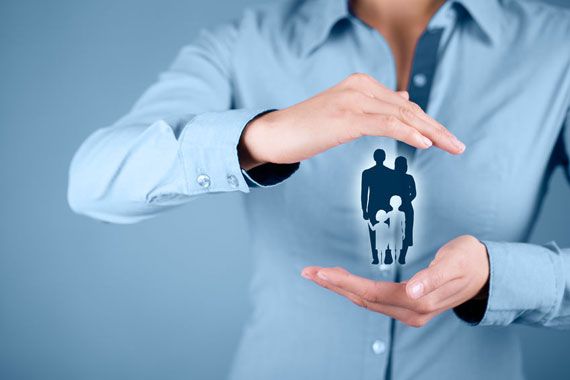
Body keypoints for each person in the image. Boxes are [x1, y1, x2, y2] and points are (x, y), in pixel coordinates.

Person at [68, 0, 570, 379]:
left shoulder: (557, 48)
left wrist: (499, 276)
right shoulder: (247, 42)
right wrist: (265, 135)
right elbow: (93, 180)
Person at [361, 148, 394, 264]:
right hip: (385, 205)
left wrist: (364, 210)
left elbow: (364, 193)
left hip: (374, 206)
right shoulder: (390, 173)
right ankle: (386, 255)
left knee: (374, 232)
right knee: (387, 231)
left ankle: (376, 256)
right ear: (383, 158)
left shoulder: (367, 173)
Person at [394, 156, 416, 264]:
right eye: (400, 165)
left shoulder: (409, 178)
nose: (403, 168)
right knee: (393, 233)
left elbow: (414, 193)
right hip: (394, 209)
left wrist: (406, 201)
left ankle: (402, 256)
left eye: (404, 165)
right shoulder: (392, 178)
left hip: (407, 208)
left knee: (407, 233)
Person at [386, 195, 406, 264]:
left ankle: (397, 259)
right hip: (389, 233)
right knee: (391, 247)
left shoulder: (402, 214)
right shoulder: (389, 213)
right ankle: (393, 259)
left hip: (399, 233)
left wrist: (403, 233)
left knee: (398, 248)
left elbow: (403, 224)